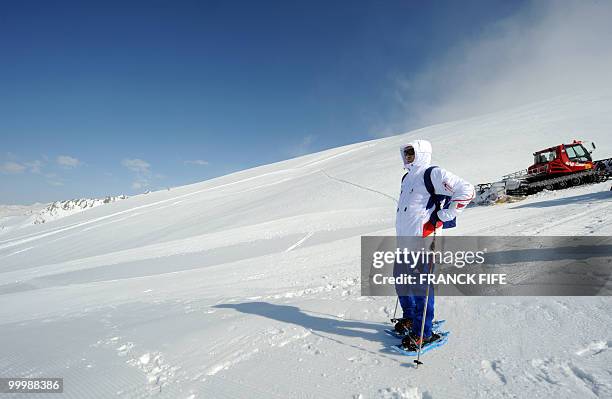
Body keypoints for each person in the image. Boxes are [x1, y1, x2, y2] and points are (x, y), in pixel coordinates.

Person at [394, 139, 474, 351]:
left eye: (412, 153)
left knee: (421, 287)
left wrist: (444, 215)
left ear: (421, 153)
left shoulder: (432, 173)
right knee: (400, 280)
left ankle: (424, 332)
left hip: (424, 239)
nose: (409, 157)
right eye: (406, 153)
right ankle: (410, 318)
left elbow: (466, 190)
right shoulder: (406, 178)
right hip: (404, 240)